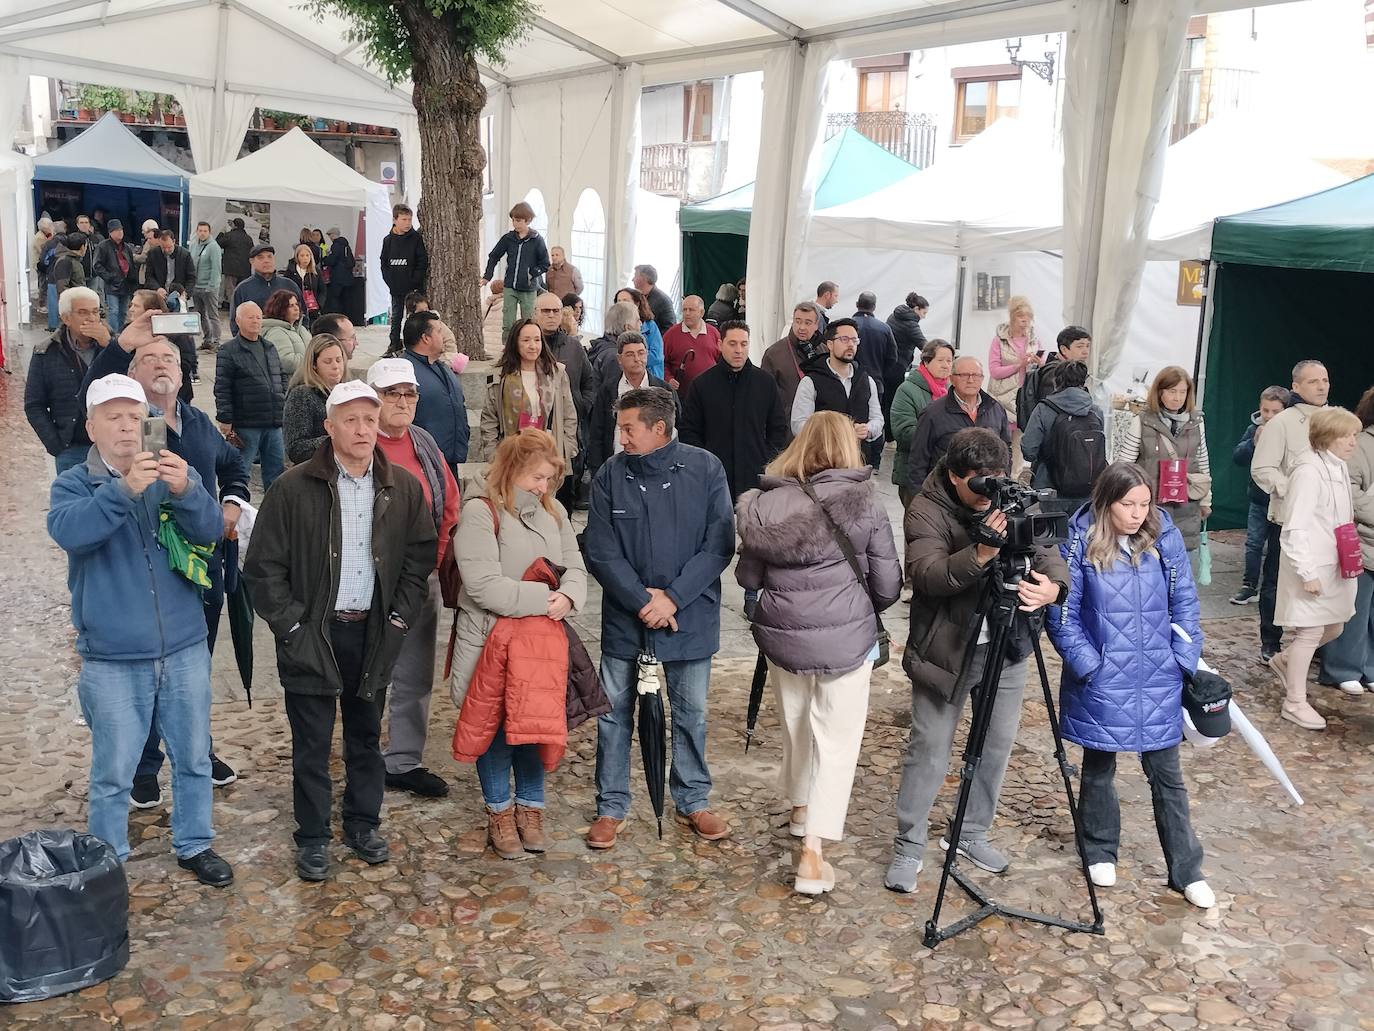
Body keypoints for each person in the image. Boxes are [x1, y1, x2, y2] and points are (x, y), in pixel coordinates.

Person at [244, 380, 435, 881]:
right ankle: (311, 836)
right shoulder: (292, 488)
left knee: (366, 736)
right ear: (328, 428)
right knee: (310, 743)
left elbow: (419, 559)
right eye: (350, 420)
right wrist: (291, 627)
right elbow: (263, 568)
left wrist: (397, 619)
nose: (362, 429)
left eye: (370, 420)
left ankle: (363, 822)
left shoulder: (403, 487)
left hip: (373, 632)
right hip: (313, 634)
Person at [48, 373, 232, 886]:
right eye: (115, 417)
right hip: (112, 654)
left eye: (136, 417)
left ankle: (195, 843)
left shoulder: (172, 472)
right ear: (92, 426)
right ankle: (110, 861)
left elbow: (211, 531)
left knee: (193, 756)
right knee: (114, 771)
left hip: (184, 645)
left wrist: (189, 490)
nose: (128, 428)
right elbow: (72, 533)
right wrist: (124, 491)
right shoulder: (73, 483)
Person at [885, 427, 1067, 893]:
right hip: (946, 647)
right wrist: (982, 550)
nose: (989, 495)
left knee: (997, 743)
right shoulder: (925, 508)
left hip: (1008, 641)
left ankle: (970, 831)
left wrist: (1054, 588)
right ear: (953, 476)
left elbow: (1047, 548)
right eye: (978, 485)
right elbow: (928, 577)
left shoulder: (1011, 497)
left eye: (997, 481)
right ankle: (909, 843)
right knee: (930, 748)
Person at [735, 412, 901, 894]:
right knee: (837, 738)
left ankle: (800, 805)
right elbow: (888, 584)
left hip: (784, 636)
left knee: (796, 722)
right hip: (847, 639)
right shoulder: (865, 504)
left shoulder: (766, 504)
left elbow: (748, 578)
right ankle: (812, 851)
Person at [89, 321, 250, 802]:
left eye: (172, 361)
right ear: (132, 373)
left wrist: (234, 503)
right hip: (148, 571)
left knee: (192, 670)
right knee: (146, 673)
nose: (163, 365)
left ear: (183, 376)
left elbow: (234, 465)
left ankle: (198, 749)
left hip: (203, 568)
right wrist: (120, 347)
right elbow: (93, 388)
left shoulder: (197, 422)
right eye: (151, 359)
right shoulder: (125, 429)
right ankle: (143, 766)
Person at [1047, 462, 1213, 910]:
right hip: (1104, 676)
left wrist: (1183, 656)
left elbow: (1185, 601)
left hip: (1159, 673)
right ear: (1107, 502)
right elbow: (1064, 613)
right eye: (1128, 504)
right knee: (1099, 765)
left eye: (1144, 503)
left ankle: (1187, 868)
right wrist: (1090, 667)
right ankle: (1100, 849)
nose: (1138, 513)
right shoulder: (1079, 541)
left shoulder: (1166, 537)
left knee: (1167, 775)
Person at [583, 387, 735, 849]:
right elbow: (600, 547)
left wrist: (673, 598)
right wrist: (640, 599)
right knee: (613, 715)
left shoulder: (706, 469)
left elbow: (719, 545)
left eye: (629, 429)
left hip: (689, 616)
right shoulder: (611, 474)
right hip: (626, 620)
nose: (621, 437)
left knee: (692, 714)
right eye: (620, 428)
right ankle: (611, 805)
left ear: (659, 429)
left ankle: (692, 799)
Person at [449, 429, 587, 857]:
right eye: (536, 478)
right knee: (494, 728)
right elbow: (482, 585)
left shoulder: (555, 512)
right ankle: (499, 813)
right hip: (491, 638)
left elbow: (576, 567)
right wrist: (545, 599)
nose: (543, 487)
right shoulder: (479, 512)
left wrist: (568, 596)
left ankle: (531, 809)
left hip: (539, 644)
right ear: (512, 470)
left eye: (549, 479)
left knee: (533, 726)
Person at [365, 358, 460, 799]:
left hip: (421, 578)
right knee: (369, 671)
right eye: (392, 394)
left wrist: (434, 561)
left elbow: (449, 503)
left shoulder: (423, 442)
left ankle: (403, 760)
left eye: (409, 394)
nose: (403, 402)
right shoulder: (362, 444)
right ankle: (363, 755)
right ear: (374, 398)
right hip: (368, 583)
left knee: (416, 675)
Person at [1269, 407, 1363, 730]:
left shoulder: (1337, 467)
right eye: (1346, 435)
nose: (1353, 441)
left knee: (1335, 625)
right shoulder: (1308, 471)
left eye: (1354, 434)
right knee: (1309, 632)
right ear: (1327, 437)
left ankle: (1286, 660)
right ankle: (1294, 701)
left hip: (1337, 563)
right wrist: (1307, 572)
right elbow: (1294, 528)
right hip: (1313, 566)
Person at [1251, 360, 1331, 661]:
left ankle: (1318, 643)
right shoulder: (1282, 423)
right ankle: (1271, 639)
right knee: (1276, 580)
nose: (1321, 386)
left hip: (1325, 521)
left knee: (1321, 581)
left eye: (1324, 379)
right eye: (1313, 381)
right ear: (1296, 386)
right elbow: (1262, 468)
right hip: (1288, 516)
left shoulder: (1335, 419)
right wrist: (1292, 489)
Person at [679, 320, 787, 501]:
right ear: (720, 345)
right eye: (732, 343)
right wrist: (705, 464)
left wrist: (766, 460)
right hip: (714, 477)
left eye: (744, 344)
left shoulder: (765, 383)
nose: (739, 350)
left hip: (756, 477)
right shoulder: (702, 385)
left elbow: (778, 428)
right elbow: (689, 432)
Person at [1113, 366, 1211, 555]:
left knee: (1181, 565)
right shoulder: (1142, 421)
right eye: (1172, 391)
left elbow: (1203, 462)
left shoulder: (1197, 423)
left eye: (1183, 392)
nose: (1178, 397)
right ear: (1159, 392)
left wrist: (1206, 500)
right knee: (1150, 560)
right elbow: (1124, 465)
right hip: (1150, 505)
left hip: (1187, 504)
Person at [1319, 387, 1374, 694]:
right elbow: (1349, 492)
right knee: (1354, 608)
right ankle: (1342, 668)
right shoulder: (1363, 444)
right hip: (1363, 540)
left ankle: (1369, 666)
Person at [26, 286, 110, 473]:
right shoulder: (46, 352)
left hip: (111, 446)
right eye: (83, 312)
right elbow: (34, 404)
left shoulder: (116, 347)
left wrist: (109, 346)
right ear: (66, 318)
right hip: (71, 448)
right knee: (72, 500)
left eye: (95, 312)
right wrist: (55, 445)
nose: (91, 318)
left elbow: (132, 382)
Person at [479, 318, 578, 469]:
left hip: (548, 454)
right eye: (526, 340)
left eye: (537, 340)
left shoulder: (556, 373)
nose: (533, 346)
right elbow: (489, 419)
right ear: (515, 343)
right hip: (511, 458)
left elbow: (569, 415)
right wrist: (494, 456)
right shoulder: (500, 377)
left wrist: (566, 448)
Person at [906, 356, 1011, 490]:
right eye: (964, 375)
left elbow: (1006, 448)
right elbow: (918, 459)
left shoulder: (995, 409)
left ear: (982, 378)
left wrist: (1003, 480)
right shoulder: (933, 413)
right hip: (945, 493)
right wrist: (918, 496)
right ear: (952, 379)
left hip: (986, 492)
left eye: (976, 375)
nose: (971, 380)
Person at [215, 301, 288, 490]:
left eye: (258, 317)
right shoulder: (228, 350)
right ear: (238, 321)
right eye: (250, 317)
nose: (256, 321)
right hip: (246, 423)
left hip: (273, 422)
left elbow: (281, 376)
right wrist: (225, 418)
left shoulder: (269, 347)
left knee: (276, 473)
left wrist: (282, 400)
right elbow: (222, 386)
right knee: (241, 470)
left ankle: (274, 513)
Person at [1019, 360, 1105, 515]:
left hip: (1050, 487)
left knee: (1053, 536)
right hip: (1089, 489)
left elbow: (1029, 450)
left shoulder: (1044, 409)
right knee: (1082, 534)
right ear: (1084, 381)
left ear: (1056, 381)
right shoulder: (1095, 411)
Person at [1231, 386, 1290, 606]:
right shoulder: (1254, 428)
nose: (1269, 416)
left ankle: (1272, 588)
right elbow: (1238, 457)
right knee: (1254, 543)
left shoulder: (1290, 432)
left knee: (1277, 547)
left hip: (1282, 500)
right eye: (1265, 410)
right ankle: (1249, 585)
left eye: (1275, 411)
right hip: (1259, 498)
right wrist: (1253, 443)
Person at [588, 332, 676, 476]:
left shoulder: (663, 390)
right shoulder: (608, 390)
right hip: (616, 467)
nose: (637, 359)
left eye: (641, 353)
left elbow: (674, 430)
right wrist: (597, 471)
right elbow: (597, 433)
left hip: (655, 467)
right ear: (619, 359)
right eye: (630, 354)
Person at [790, 318, 883, 448]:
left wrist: (868, 429)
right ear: (830, 344)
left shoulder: (866, 380)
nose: (851, 344)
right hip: (822, 459)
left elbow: (877, 418)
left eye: (854, 340)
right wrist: (836, 433)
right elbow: (798, 425)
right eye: (844, 339)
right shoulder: (811, 381)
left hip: (857, 459)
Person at [400, 310, 469, 473]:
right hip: (421, 463)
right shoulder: (404, 372)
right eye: (439, 331)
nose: (443, 336)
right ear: (426, 338)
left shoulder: (442, 367)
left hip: (449, 459)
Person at [891, 340, 954, 511]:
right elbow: (903, 432)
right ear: (926, 361)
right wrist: (942, 437)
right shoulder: (907, 390)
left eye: (949, 361)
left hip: (946, 475)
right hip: (915, 474)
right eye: (941, 360)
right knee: (917, 529)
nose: (946, 365)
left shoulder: (952, 391)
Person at [987, 295, 1043, 474]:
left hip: (1024, 400)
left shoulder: (1034, 340)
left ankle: (1014, 482)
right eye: (1021, 316)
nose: (1025, 321)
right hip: (1002, 399)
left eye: (1028, 317)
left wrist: (1038, 363)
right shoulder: (999, 340)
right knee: (999, 445)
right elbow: (994, 371)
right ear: (1012, 317)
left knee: (1019, 446)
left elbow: (1042, 370)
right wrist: (1019, 364)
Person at [851, 291, 901, 468]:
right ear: (874, 307)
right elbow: (892, 357)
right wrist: (880, 373)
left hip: (849, 381)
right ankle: (874, 461)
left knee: (849, 420)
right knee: (874, 420)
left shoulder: (848, 327)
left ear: (857, 304)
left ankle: (850, 458)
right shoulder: (884, 328)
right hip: (877, 381)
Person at [482, 201, 548, 335]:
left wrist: (532, 273)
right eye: (513, 220)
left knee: (528, 323)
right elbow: (494, 256)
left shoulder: (537, 240)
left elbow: (545, 263)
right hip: (510, 287)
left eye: (518, 220)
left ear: (527, 220)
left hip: (529, 289)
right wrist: (487, 276)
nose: (514, 223)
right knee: (508, 324)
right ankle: (507, 350)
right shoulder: (508, 238)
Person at [284, 334, 348, 464]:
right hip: (315, 472)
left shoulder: (349, 391)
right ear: (314, 365)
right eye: (328, 361)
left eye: (338, 360)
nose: (335, 366)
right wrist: (336, 440)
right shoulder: (301, 395)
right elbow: (296, 448)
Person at [1018, 325, 1091, 429]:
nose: (1085, 351)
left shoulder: (1069, 370)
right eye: (1079, 346)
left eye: (1088, 346)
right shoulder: (1054, 373)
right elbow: (1051, 410)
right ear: (1064, 349)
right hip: (1055, 435)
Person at [380, 203, 429, 352]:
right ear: (395, 220)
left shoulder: (415, 238)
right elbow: (384, 263)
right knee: (396, 317)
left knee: (415, 318)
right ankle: (394, 343)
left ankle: (413, 345)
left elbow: (422, 261)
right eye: (404, 219)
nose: (407, 223)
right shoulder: (388, 240)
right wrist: (390, 282)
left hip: (413, 287)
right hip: (396, 287)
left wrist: (415, 280)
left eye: (409, 219)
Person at [761, 302, 821, 416]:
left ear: (816, 325)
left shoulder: (823, 351)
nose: (801, 327)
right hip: (787, 424)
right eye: (798, 321)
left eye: (807, 323)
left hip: (818, 422)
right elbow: (764, 393)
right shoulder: (773, 354)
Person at [230, 244, 302, 336]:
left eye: (269, 257)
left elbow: (302, 314)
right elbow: (235, 321)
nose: (266, 261)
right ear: (251, 261)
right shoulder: (243, 289)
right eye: (261, 257)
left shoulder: (289, 285)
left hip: (289, 339)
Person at [663, 295, 721, 398]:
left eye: (691, 310)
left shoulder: (714, 333)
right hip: (682, 396)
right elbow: (661, 362)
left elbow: (720, 360)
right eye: (684, 310)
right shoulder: (671, 334)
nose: (687, 313)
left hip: (710, 393)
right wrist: (669, 379)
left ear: (701, 313)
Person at [92, 219, 137, 335]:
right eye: (117, 230)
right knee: (113, 310)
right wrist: (109, 277)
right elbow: (97, 265)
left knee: (123, 311)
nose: (120, 233)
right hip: (112, 284)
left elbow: (131, 264)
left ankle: (121, 334)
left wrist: (133, 280)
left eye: (121, 230)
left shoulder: (126, 247)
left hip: (126, 283)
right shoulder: (103, 246)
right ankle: (112, 334)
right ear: (110, 232)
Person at [614, 287, 665, 379]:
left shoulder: (650, 326)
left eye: (625, 301)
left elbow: (657, 356)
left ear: (637, 304)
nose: (621, 305)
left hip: (650, 377)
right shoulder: (614, 327)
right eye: (619, 301)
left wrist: (633, 359)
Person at [187, 221, 223, 351]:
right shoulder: (194, 245)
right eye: (200, 230)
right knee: (200, 314)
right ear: (196, 232)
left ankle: (216, 341)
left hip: (209, 287)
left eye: (205, 231)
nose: (202, 233)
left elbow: (216, 268)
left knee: (213, 315)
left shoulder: (214, 247)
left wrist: (212, 286)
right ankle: (207, 340)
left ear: (209, 232)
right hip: (196, 286)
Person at [260, 288, 312, 378]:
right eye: (291, 306)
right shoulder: (276, 332)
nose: (296, 308)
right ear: (280, 309)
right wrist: (313, 361)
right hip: (290, 384)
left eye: (296, 304)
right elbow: (286, 362)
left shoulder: (302, 329)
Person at [588, 301, 640, 382]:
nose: (641, 324)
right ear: (628, 328)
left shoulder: (600, 346)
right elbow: (614, 391)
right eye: (637, 320)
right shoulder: (615, 357)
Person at [402, 290, 459, 356]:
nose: (425, 313)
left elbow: (449, 342)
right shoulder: (411, 327)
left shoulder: (436, 324)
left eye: (426, 310)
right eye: (421, 312)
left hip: (442, 357)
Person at [145, 231, 195, 304]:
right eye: (163, 247)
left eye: (169, 247)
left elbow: (191, 277)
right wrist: (157, 288)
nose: (166, 250)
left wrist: (185, 294)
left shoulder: (185, 255)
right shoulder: (152, 254)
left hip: (179, 296)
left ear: (174, 241)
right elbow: (149, 276)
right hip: (159, 296)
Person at [886, 292, 929, 375]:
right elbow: (925, 347)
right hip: (899, 364)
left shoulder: (893, 316)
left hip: (887, 359)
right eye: (924, 313)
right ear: (916, 309)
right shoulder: (911, 325)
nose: (924, 317)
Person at [216, 217, 253, 307]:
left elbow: (217, 244)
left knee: (231, 291)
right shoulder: (248, 238)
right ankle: (242, 309)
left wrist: (221, 233)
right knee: (242, 291)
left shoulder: (229, 235)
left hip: (231, 269)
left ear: (234, 225)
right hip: (245, 269)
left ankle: (233, 310)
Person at [284, 243, 323, 326]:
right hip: (296, 307)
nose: (305, 258)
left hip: (313, 308)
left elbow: (322, 289)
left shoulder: (316, 271)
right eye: (302, 256)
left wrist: (319, 304)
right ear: (297, 257)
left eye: (307, 255)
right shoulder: (290, 271)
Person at [321, 227, 356, 315]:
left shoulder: (336, 245)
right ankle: (347, 317)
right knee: (346, 300)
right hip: (348, 277)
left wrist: (325, 259)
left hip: (337, 277)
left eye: (329, 235)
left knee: (335, 299)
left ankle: (336, 317)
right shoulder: (346, 245)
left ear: (333, 235)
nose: (329, 237)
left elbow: (332, 260)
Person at [633, 264, 675, 335]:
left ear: (644, 278)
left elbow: (669, 329)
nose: (632, 279)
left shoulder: (662, 300)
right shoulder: (638, 297)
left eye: (635, 276)